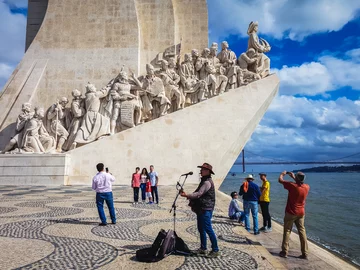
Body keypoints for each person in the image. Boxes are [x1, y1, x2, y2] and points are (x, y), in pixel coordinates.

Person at [180, 162, 220, 258]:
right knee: (201, 229)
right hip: (202, 208)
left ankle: (215, 250)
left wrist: (186, 195)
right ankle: (203, 249)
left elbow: (199, 194)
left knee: (208, 229)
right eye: (201, 169)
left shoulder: (207, 182)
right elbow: (198, 193)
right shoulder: (204, 180)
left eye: (202, 169)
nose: (201, 171)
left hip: (206, 209)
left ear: (208, 171)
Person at [278, 171, 310, 259]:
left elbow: (280, 180)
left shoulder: (292, 186)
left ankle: (284, 252)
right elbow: (299, 183)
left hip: (291, 212)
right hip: (301, 213)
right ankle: (305, 253)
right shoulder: (307, 187)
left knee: (287, 231)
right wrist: (294, 177)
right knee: (302, 232)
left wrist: (282, 174)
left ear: (296, 178)